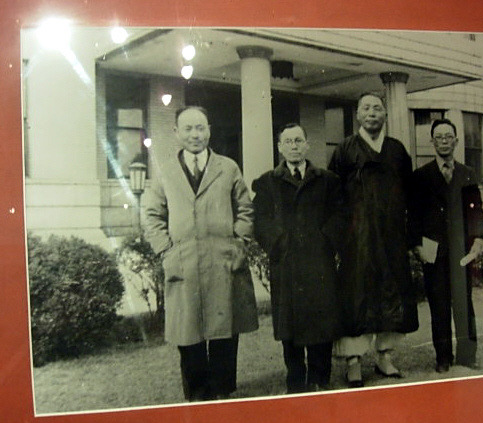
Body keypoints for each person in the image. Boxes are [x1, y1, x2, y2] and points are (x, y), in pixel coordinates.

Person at [143, 106, 258, 401]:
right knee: (188, 333)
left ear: (209, 131)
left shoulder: (228, 167)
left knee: (224, 329)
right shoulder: (165, 171)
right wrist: (166, 250)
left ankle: (222, 391)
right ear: (176, 133)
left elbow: (245, 208)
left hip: (223, 260)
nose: (195, 135)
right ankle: (197, 396)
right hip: (184, 262)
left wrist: (239, 241)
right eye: (188, 129)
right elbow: (152, 214)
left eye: (200, 128)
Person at [328, 93, 419, 387]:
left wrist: (410, 236)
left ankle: (384, 355)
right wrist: (339, 238)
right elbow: (333, 197)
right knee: (356, 296)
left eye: (377, 108)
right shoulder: (345, 149)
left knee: (392, 292)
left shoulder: (396, 150)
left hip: (392, 237)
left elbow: (411, 195)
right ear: (357, 114)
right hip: (357, 239)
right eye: (366, 108)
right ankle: (353, 361)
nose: (372, 113)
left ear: (385, 115)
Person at [252, 123, 345, 393]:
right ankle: (295, 380)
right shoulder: (267, 182)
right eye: (288, 141)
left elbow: (341, 214)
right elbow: (260, 221)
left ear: (307, 145)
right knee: (289, 326)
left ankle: (320, 378)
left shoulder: (327, 180)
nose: (293, 146)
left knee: (321, 322)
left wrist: (325, 241)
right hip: (286, 264)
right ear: (280, 147)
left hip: (319, 263)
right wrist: (279, 243)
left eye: (298, 141)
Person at [410, 118, 483, 373]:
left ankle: (467, 356)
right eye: (439, 137)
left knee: (464, 303)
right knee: (439, 305)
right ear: (432, 142)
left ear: (456, 141)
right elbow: (413, 215)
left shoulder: (467, 173)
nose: (444, 141)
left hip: (462, 250)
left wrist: (478, 238)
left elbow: (476, 210)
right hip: (433, 250)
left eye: (448, 136)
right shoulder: (421, 176)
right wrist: (417, 245)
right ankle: (443, 357)